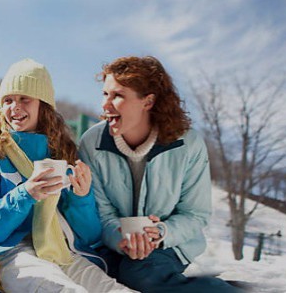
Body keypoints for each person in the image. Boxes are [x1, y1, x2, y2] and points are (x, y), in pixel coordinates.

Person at [0, 58, 130, 292]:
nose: (14, 107)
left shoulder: (63, 154)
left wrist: (82, 196)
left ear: (43, 105)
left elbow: (89, 236)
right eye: (8, 100)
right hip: (10, 251)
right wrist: (25, 193)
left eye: (24, 99)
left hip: (61, 249)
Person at [78, 56, 240, 292]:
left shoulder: (188, 144)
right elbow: (100, 211)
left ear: (148, 101)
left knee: (140, 274)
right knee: (95, 274)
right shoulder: (92, 142)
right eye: (105, 94)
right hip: (112, 242)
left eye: (118, 96)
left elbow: (195, 213)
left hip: (170, 243)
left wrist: (160, 233)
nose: (105, 105)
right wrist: (120, 237)